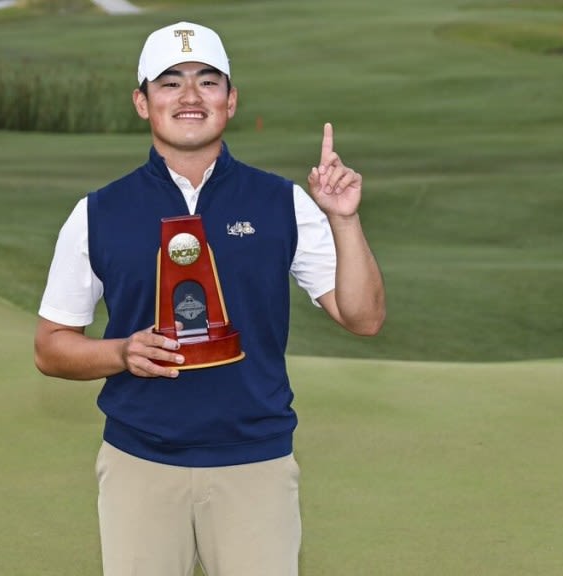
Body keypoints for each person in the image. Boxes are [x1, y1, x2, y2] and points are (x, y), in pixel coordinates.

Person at [34, 20, 385, 576]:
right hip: (139, 463)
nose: (191, 96)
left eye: (207, 81)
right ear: (142, 102)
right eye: (170, 82)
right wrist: (122, 353)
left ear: (231, 99)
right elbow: (51, 347)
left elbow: (363, 318)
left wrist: (344, 220)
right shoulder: (97, 213)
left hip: (256, 463)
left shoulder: (283, 202)